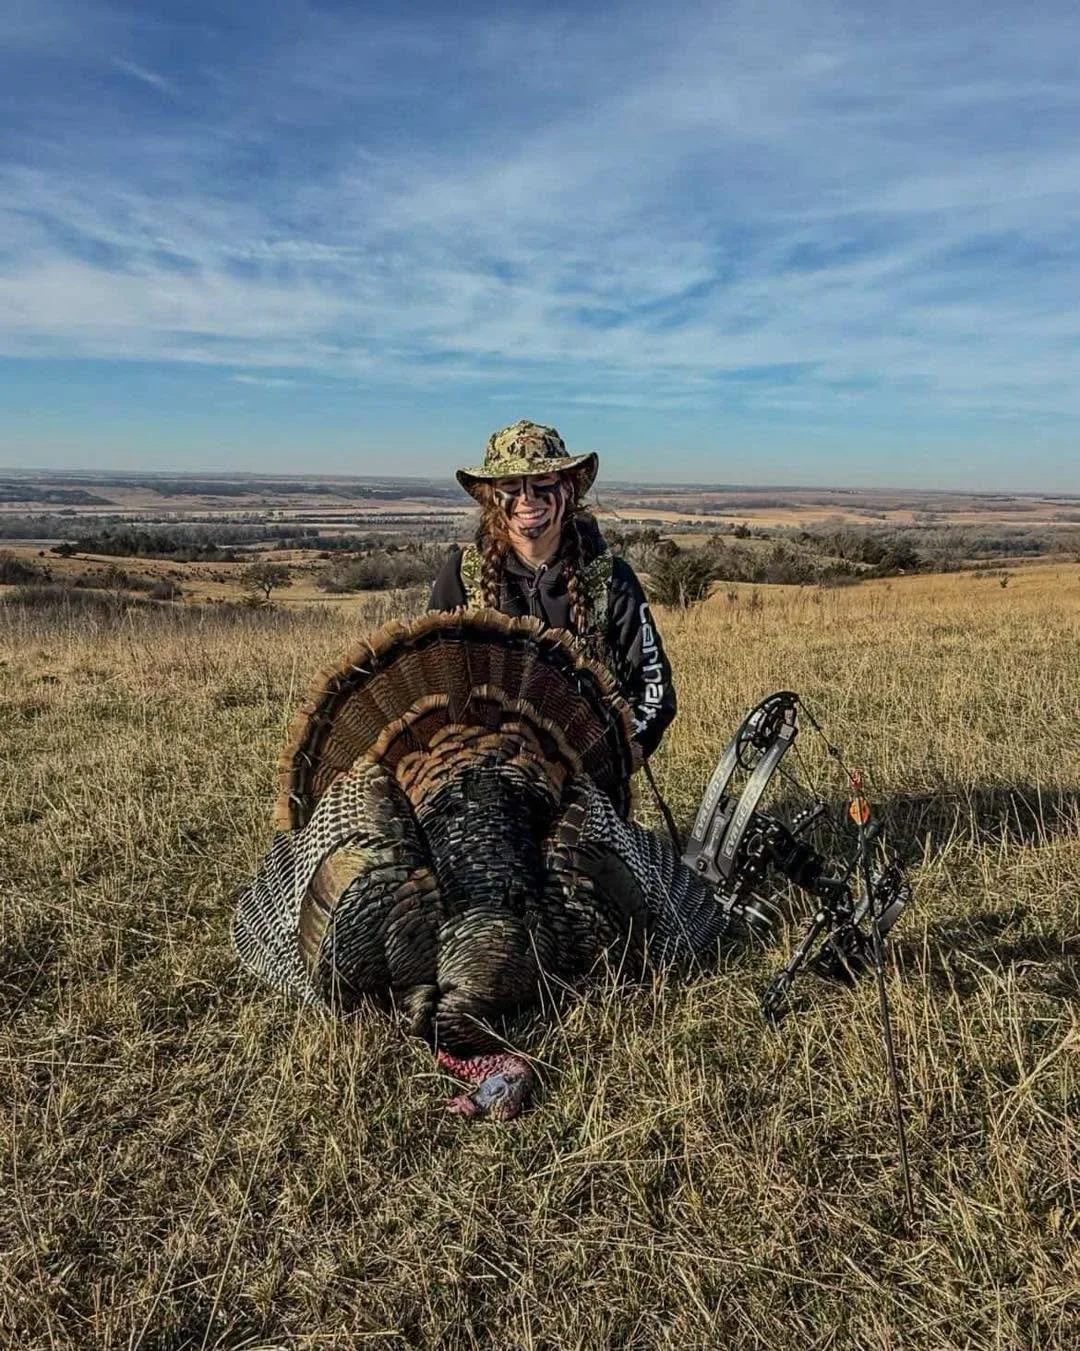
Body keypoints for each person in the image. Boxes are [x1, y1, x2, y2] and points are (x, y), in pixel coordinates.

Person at [428, 419, 676, 762]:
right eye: (511, 485)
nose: (527, 499)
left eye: (543, 481)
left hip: (587, 776)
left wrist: (609, 762)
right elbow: (435, 691)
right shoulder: (461, 576)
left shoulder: (611, 579)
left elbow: (654, 695)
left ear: (568, 489)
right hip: (487, 776)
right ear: (491, 497)